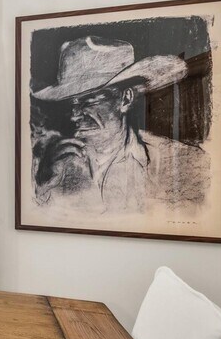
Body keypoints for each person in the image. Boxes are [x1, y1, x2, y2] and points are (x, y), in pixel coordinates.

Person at [31, 36, 209, 213]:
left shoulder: (182, 162)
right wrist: (44, 187)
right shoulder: (51, 168)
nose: (74, 115)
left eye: (89, 99)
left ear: (126, 99)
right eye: (72, 103)